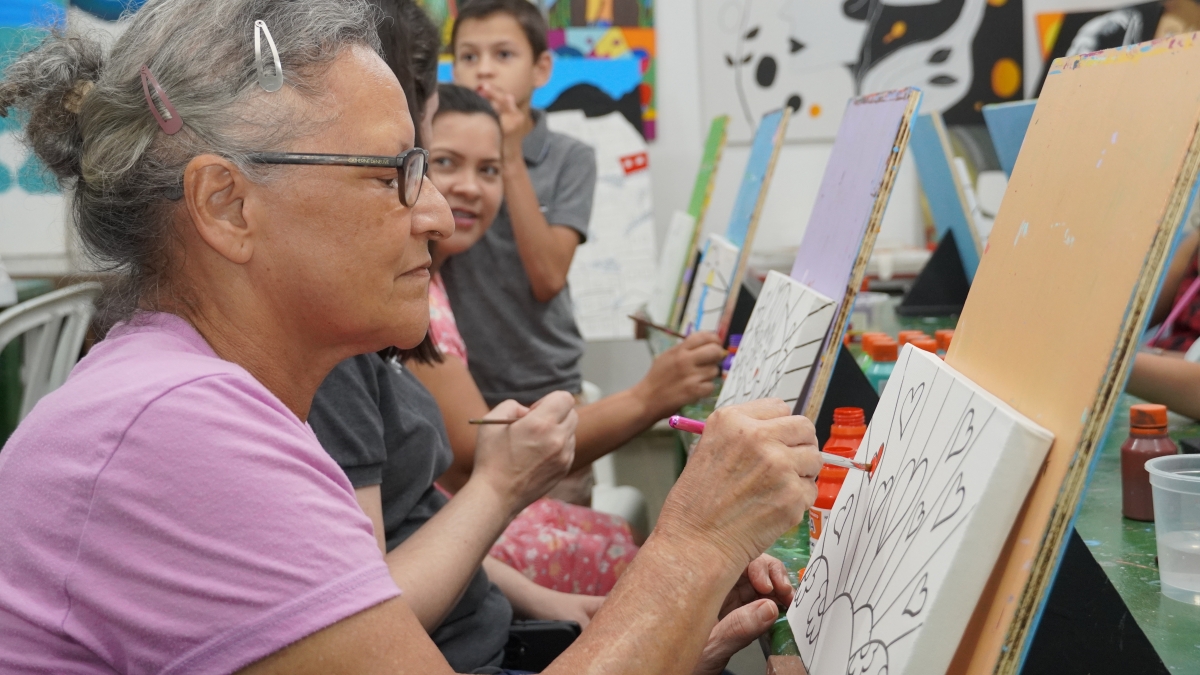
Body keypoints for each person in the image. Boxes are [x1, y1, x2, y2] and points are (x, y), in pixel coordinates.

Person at [0, 1, 823, 674]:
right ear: (226, 205)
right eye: (391, 173)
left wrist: (667, 632)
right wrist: (690, 547)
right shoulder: (181, 429)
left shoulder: (217, 395)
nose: (435, 214)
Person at [419, 84, 730, 595]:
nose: (470, 187)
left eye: (490, 170)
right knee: (648, 568)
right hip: (445, 534)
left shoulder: (436, 279)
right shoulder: (419, 302)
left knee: (625, 537)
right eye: (447, 163)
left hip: (461, 515)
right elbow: (478, 453)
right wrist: (649, 396)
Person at [441, 0, 594, 408]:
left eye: (503, 55)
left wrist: (508, 155)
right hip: (460, 383)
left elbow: (548, 279)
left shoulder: (570, 158)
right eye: (469, 57)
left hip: (547, 382)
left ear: (540, 69)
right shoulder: (436, 146)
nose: (484, 70)